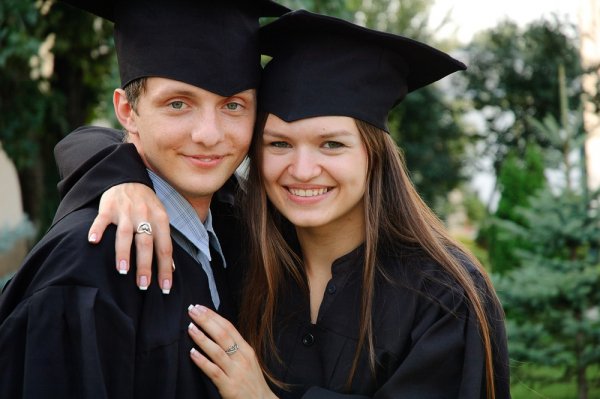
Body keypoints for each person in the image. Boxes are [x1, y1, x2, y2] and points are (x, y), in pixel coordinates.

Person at [51, 9, 511, 399]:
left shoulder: (442, 298)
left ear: (375, 155)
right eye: (279, 144)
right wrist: (124, 179)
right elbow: (102, 140)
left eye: (331, 144)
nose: (303, 169)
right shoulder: (238, 246)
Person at [0, 0, 287, 398]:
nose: (209, 133)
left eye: (233, 105)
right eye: (178, 104)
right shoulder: (86, 266)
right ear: (127, 111)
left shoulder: (239, 235)